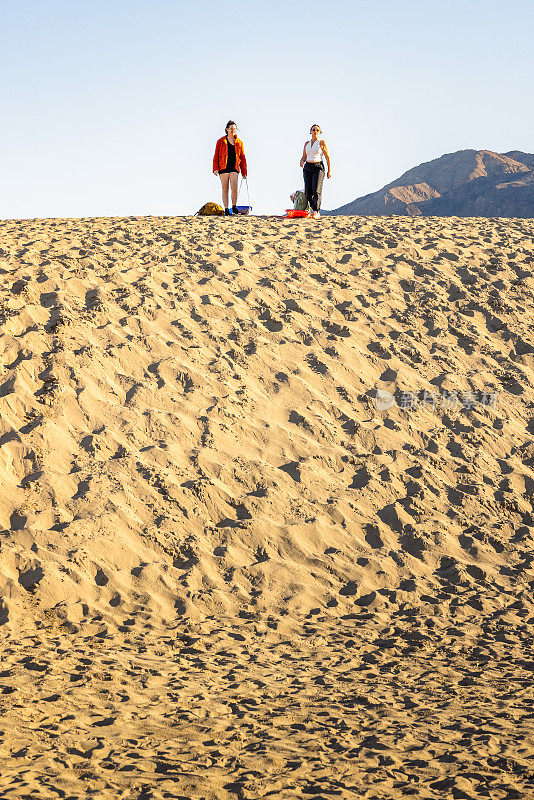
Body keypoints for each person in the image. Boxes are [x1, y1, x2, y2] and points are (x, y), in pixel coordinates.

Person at [213, 121, 248, 216]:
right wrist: (215, 168)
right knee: (225, 188)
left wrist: (244, 171)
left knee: (234, 187)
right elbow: (216, 155)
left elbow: (243, 157)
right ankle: (226, 209)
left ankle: (234, 206)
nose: (233, 130)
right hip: (223, 167)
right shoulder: (220, 141)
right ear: (227, 129)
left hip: (234, 167)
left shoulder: (239, 142)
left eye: (235, 129)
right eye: (231, 128)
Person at [300, 124, 331, 219]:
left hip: (318, 167)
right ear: (310, 131)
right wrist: (301, 161)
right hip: (307, 167)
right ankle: (309, 209)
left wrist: (329, 171)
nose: (315, 131)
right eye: (313, 130)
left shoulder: (322, 143)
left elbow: (327, 157)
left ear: (319, 132)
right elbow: (304, 156)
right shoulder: (306, 144)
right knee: (308, 191)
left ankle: (316, 211)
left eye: (317, 130)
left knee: (316, 189)